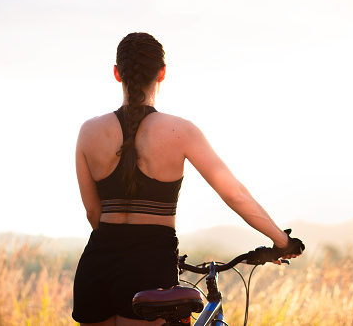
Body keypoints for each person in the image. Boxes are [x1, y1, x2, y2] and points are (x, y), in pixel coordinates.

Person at [72, 32, 305, 326]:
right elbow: (235, 194)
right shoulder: (180, 131)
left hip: (96, 266)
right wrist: (281, 240)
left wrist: (118, 246)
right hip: (149, 267)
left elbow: (93, 213)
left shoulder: (88, 132)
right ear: (163, 73)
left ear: (117, 73)